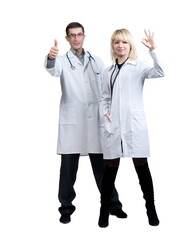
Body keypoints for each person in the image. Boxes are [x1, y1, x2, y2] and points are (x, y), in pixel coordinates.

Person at [44, 22, 127, 224]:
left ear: (84, 36)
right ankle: (65, 208)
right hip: (72, 124)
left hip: (96, 122)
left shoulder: (96, 61)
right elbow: (52, 70)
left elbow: (105, 90)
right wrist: (51, 57)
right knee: (67, 170)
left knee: (103, 168)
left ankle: (113, 205)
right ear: (67, 38)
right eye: (71, 35)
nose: (76, 38)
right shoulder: (62, 60)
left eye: (79, 34)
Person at [98, 28, 165, 228]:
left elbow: (160, 72)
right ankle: (103, 211)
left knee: (141, 166)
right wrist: (105, 112)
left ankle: (151, 210)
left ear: (130, 46)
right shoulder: (107, 71)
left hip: (134, 126)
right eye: (117, 42)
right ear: (113, 46)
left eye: (124, 42)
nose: (120, 45)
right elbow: (104, 97)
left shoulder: (139, 66)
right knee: (110, 168)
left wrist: (154, 50)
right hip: (113, 126)